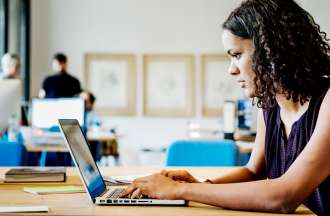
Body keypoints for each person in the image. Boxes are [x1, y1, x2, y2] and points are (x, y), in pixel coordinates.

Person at [120, 0, 330, 214]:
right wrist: (200, 186)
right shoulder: (270, 106)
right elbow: (253, 172)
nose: (231, 70)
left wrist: (180, 190)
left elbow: (284, 197)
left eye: (237, 55)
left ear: (272, 50)